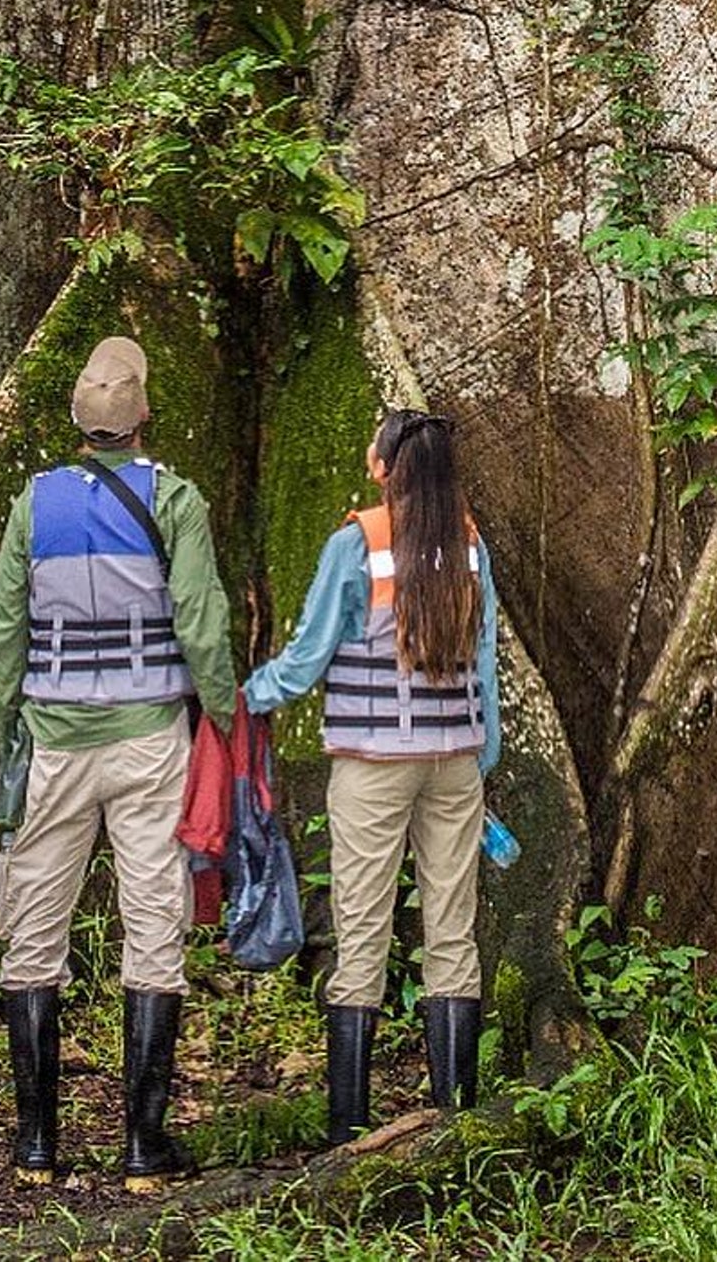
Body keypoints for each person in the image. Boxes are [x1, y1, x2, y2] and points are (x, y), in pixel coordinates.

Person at [0, 334, 237, 1191]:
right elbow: (201, 618)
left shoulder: (34, 504)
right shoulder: (176, 500)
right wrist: (226, 716)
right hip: (148, 743)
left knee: (35, 931)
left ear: (78, 422)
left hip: (55, 745)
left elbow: (4, 632)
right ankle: (142, 1146)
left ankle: (36, 1144)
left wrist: (5, 723)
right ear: (143, 419)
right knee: (152, 924)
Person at [242, 408, 499, 1143]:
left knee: (362, 935)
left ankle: (349, 1130)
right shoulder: (472, 546)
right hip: (454, 764)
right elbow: (485, 665)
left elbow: (310, 651)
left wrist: (249, 697)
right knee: (453, 934)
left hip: (374, 767)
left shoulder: (358, 543)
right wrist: (484, 755)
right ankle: (456, 1125)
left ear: (385, 466)